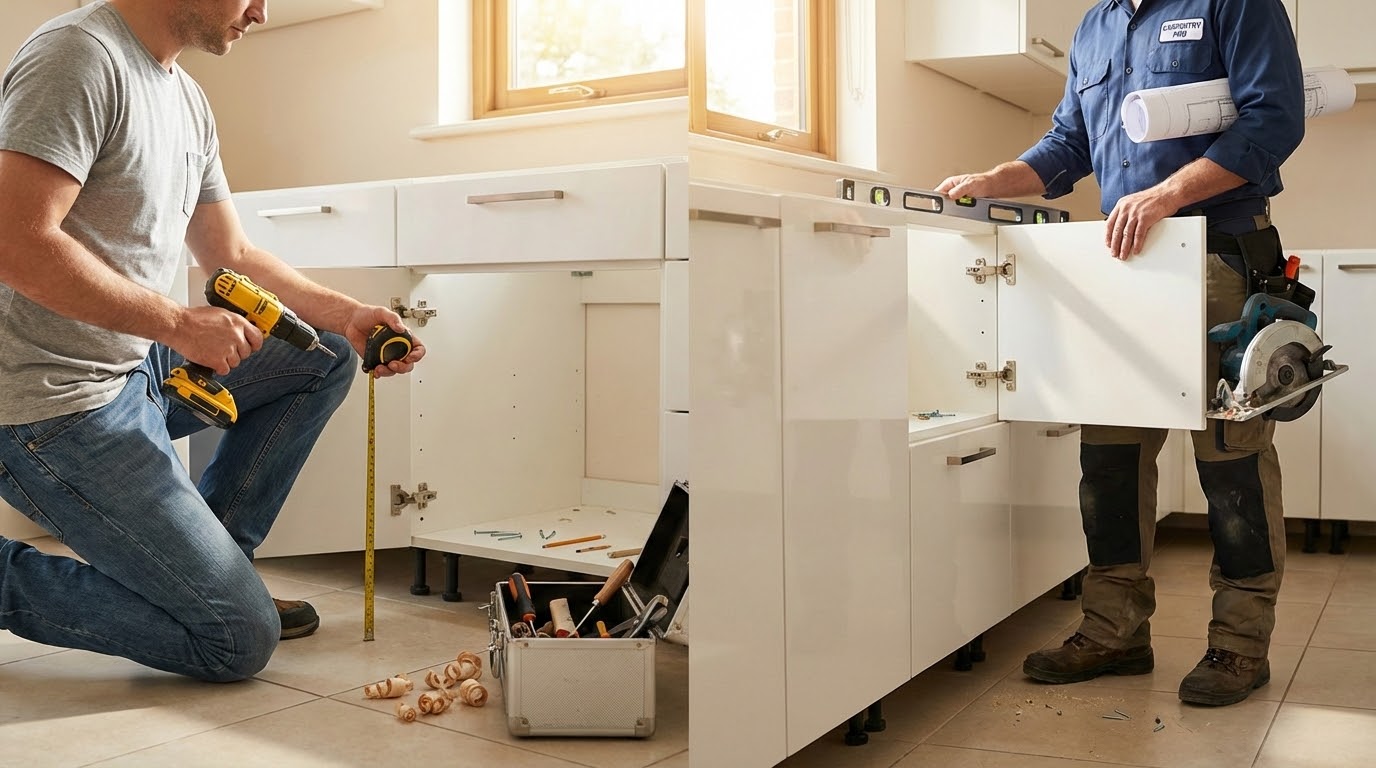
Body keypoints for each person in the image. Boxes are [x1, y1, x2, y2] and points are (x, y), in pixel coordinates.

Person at [0, 0, 424, 682]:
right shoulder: (77, 57)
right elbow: (16, 244)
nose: (260, 11)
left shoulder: (187, 99)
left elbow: (230, 253)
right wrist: (174, 323)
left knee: (321, 358)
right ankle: (222, 603)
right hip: (49, 406)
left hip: (134, 366)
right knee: (235, 641)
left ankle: (220, 569)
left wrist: (345, 313)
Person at [937, 0, 1305, 707]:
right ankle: (1114, 631)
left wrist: (1166, 193)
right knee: (1108, 458)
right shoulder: (1095, 25)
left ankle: (1239, 645)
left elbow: (1275, 117)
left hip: (1218, 256)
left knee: (1231, 459)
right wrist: (993, 180)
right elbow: (1069, 143)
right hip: (1123, 263)